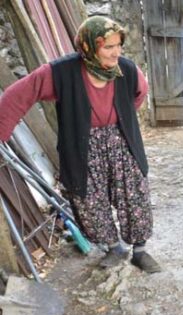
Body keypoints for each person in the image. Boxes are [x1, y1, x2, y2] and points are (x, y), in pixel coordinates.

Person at [0, 16, 161, 273]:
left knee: (134, 195)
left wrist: (121, 120)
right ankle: (114, 247)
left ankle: (140, 252)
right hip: (82, 145)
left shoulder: (127, 69)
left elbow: (139, 95)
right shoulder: (61, 72)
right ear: (88, 46)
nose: (116, 52)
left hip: (122, 140)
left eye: (118, 45)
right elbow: (18, 95)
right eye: (108, 47)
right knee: (88, 200)